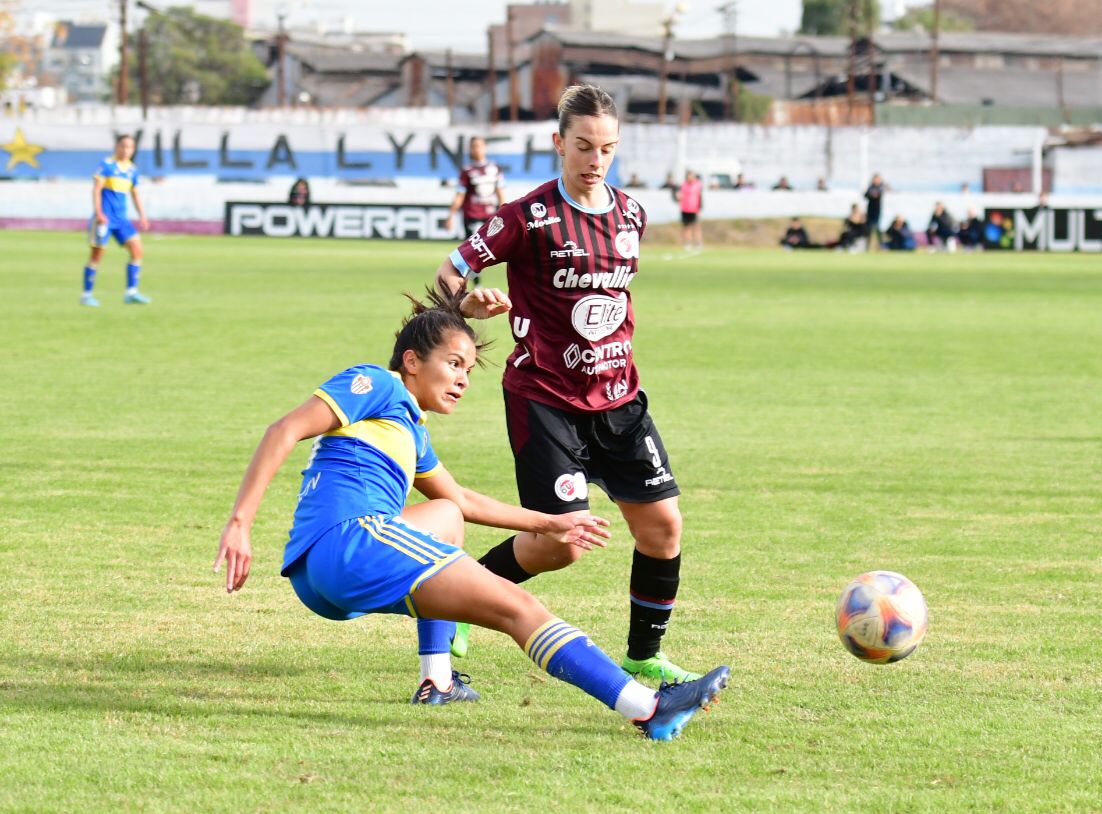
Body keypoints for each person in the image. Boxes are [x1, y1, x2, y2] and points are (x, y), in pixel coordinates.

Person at [211, 289, 730, 738]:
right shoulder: (379, 383)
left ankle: (437, 680)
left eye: (467, 370)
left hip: (317, 574)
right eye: (453, 363)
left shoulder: (410, 431)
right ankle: (650, 709)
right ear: (412, 361)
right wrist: (240, 522)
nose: (462, 379)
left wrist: (549, 523)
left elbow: (461, 501)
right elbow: (282, 430)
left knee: (443, 517)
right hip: (351, 544)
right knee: (516, 608)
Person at [434, 84, 702, 685]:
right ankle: (459, 605)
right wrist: (467, 304)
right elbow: (451, 270)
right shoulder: (527, 216)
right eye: (583, 145)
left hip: (619, 397)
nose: (594, 159)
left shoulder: (631, 214)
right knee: (563, 544)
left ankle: (643, 655)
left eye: (606, 148)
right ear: (559, 143)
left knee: (662, 527)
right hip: (545, 400)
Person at [81, 134, 151, 306]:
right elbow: (96, 190)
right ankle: (87, 295)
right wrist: (99, 213)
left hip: (121, 220)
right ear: (117, 147)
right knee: (97, 256)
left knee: (137, 251)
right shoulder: (107, 165)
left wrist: (142, 215)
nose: (126, 150)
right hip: (104, 219)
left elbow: (135, 194)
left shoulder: (132, 170)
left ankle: (131, 292)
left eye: (130, 147)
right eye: (123, 146)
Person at [444, 136, 506, 288]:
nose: (476, 149)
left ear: (485, 148)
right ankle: (476, 285)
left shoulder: (495, 169)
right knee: (476, 251)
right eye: (473, 146)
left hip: (490, 217)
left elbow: (500, 193)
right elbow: (460, 195)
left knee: (492, 251)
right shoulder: (467, 171)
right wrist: (451, 215)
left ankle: (472, 282)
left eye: (479, 145)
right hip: (472, 216)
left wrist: (505, 211)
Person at [677, 169, 703, 252]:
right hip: (685, 209)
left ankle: (698, 243)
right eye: (689, 176)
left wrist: (699, 208)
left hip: (694, 209)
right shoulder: (683, 185)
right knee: (686, 227)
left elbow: (700, 197)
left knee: (696, 227)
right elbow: (680, 196)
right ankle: (687, 243)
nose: (690, 177)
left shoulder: (698, 185)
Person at [863, 173, 887, 250]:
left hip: (877, 211)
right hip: (870, 210)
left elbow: (878, 194)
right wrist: (871, 193)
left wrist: (873, 194)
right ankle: (867, 246)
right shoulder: (870, 187)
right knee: (868, 229)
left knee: (877, 228)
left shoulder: (881, 187)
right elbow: (866, 195)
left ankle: (881, 246)